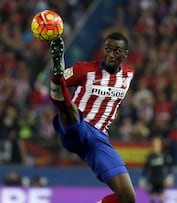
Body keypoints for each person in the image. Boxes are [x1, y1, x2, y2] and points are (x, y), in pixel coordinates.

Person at [48, 32, 136, 203]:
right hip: (78, 127)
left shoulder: (129, 75)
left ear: (125, 54)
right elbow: (54, 93)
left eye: (116, 51)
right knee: (70, 108)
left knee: (128, 197)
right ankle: (57, 68)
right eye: (107, 49)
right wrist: (57, 79)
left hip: (99, 139)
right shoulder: (84, 70)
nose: (111, 54)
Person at [139, 136, 172, 203]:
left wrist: (169, 178)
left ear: (160, 144)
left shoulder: (165, 155)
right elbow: (146, 168)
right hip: (152, 180)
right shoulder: (150, 156)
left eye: (158, 143)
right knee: (152, 198)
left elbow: (169, 168)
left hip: (161, 180)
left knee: (161, 198)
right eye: (155, 143)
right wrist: (142, 179)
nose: (156, 145)